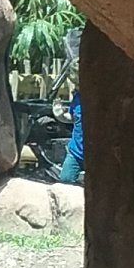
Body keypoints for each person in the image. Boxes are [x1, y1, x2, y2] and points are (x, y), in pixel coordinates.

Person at [57, 29, 85, 185]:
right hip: (76, 152)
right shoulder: (77, 98)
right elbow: (73, 118)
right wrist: (60, 115)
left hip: (97, 153)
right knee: (65, 179)